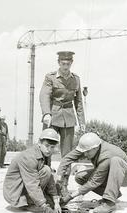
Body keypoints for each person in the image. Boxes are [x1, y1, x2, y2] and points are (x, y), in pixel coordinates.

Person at [39, 51, 86, 196]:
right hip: (52, 117)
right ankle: (44, 183)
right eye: (63, 63)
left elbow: (78, 101)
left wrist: (82, 121)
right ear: (59, 63)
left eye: (68, 63)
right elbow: (44, 95)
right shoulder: (50, 77)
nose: (65, 66)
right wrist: (46, 113)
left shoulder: (76, 79)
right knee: (45, 150)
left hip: (69, 118)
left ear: (71, 63)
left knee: (67, 155)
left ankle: (63, 185)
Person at [56, 133, 127, 213]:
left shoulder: (106, 154)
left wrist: (69, 197)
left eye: (87, 152)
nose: (84, 154)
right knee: (80, 177)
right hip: (110, 171)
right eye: (83, 152)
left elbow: (94, 182)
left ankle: (110, 203)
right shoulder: (88, 146)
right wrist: (58, 179)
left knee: (115, 160)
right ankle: (113, 195)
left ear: (96, 148)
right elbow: (67, 159)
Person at [3, 128, 61, 213]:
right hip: (15, 193)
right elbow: (32, 185)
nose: (49, 150)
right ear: (39, 142)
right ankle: (30, 203)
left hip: (25, 186)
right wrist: (45, 207)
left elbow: (49, 179)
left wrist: (56, 201)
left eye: (52, 147)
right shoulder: (29, 157)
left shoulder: (44, 154)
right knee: (46, 170)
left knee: (49, 172)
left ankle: (34, 201)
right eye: (46, 146)